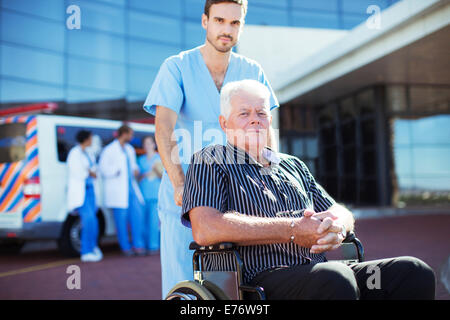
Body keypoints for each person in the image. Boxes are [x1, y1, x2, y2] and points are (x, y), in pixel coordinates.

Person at [182, 79, 436, 300]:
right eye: (244, 113)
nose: (255, 120)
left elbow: (337, 209)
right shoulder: (210, 160)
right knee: (335, 277)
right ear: (224, 123)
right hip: (257, 282)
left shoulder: (293, 165)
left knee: (412, 272)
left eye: (261, 113)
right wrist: (292, 230)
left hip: (318, 275)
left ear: (270, 119)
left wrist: (337, 227)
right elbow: (205, 229)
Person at [143, 0, 279, 297]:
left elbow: (266, 129)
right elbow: (163, 127)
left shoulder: (252, 71)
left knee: (239, 284)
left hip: (240, 195)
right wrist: (180, 184)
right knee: (185, 287)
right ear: (205, 21)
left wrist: (273, 181)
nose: (226, 30)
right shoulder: (176, 67)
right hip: (186, 198)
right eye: (219, 20)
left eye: (235, 23)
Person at [99, 124, 145, 257]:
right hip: (118, 191)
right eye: (130, 134)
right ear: (124, 134)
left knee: (137, 216)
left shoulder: (129, 149)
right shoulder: (109, 150)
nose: (132, 137)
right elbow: (103, 168)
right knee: (121, 222)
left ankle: (138, 245)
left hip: (131, 189)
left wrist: (136, 169)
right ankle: (125, 247)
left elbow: (133, 165)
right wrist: (116, 171)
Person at [67, 130, 103, 262]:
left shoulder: (88, 153)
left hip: (91, 192)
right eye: (91, 138)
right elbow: (79, 173)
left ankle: (93, 247)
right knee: (88, 221)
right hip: (82, 193)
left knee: (94, 222)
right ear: (85, 139)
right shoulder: (74, 153)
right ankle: (86, 251)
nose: (92, 140)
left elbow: (94, 171)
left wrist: (90, 171)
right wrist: (89, 172)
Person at [138, 136, 163, 254]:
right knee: (143, 222)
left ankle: (153, 246)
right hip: (142, 194)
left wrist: (155, 169)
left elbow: (163, 176)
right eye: (145, 143)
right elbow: (137, 177)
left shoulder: (159, 158)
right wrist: (144, 174)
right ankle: (143, 245)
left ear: (154, 144)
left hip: (155, 194)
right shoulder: (141, 160)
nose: (147, 145)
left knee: (154, 222)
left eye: (149, 143)